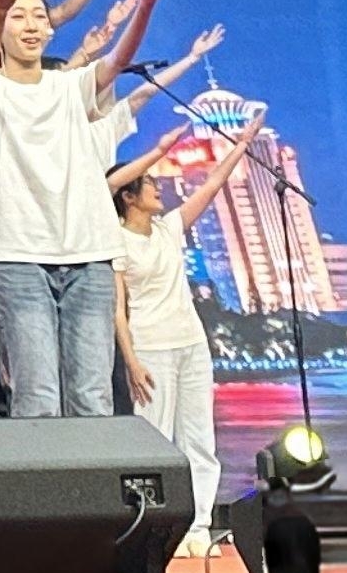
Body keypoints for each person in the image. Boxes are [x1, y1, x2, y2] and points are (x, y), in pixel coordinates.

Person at [0, 0, 169, 419]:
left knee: (93, 399)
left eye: (39, 16)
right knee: (37, 398)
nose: (30, 25)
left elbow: (117, 61)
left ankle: (91, 472)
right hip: (17, 259)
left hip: (89, 257)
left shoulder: (71, 86)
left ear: (50, 29)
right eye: (18, 16)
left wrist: (147, 3)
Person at [109, 63, 255, 543]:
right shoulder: (115, 240)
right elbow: (117, 309)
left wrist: (242, 144)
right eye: (149, 184)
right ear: (129, 197)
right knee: (156, 440)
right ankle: (153, 531)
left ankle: (198, 525)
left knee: (199, 439)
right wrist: (130, 360)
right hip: (150, 348)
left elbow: (210, 187)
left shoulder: (169, 228)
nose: (158, 188)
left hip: (191, 342)